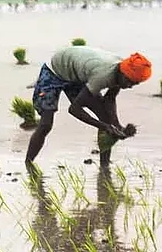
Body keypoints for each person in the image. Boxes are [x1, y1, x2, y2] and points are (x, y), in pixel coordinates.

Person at [24, 47, 152, 164]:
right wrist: (105, 126)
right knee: (46, 124)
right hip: (54, 71)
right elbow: (74, 109)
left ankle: (104, 166)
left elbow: (110, 99)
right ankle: (28, 163)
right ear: (123, 74)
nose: (129, 86)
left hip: (76, 75)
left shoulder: (121, 72)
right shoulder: (103, 76)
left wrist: (116, 125)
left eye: (134, 84)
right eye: (129, 82)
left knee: (105, 116)